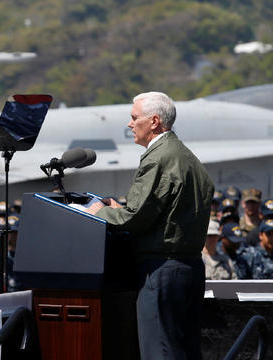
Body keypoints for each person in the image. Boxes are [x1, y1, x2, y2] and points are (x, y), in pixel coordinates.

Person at [86, 92, 214, 359]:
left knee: (160, 351)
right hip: (188, 267)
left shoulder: (158, 157)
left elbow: (133, 218)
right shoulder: (184, 156)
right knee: (183, 350)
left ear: (154, 121)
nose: (130, 124)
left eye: (134, 118)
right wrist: (123, 210)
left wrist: (102, 212)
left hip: (162, 270)